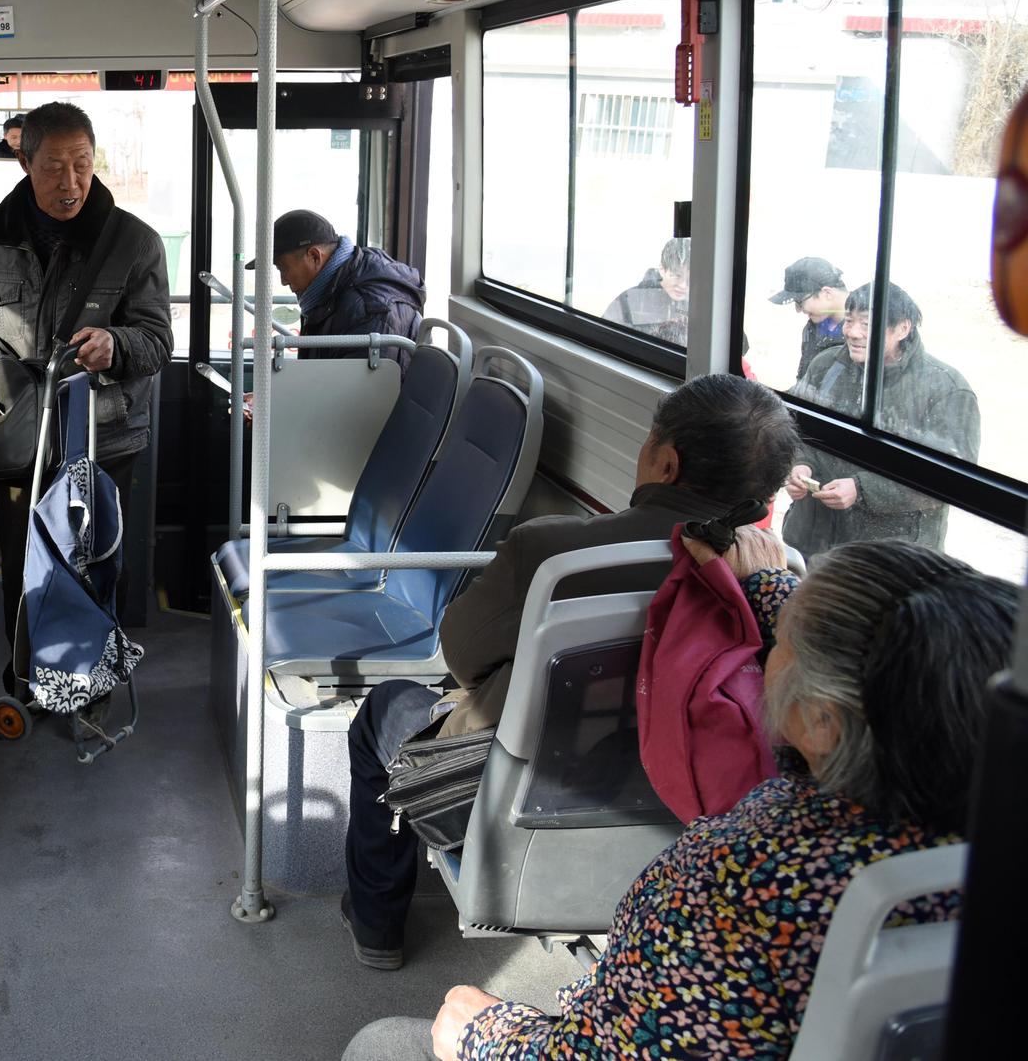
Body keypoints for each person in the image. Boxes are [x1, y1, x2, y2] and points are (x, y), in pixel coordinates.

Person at [342, 535, 1011, 1061]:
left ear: (821, 723)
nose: (769, 653)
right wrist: (768, 586)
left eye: (783, 643)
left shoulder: (736, 885)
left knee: (384, 1044)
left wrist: (488, 1031)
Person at [340, 375, 802, 970]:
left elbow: (462, 655)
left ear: (665, 462)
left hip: (516, 801)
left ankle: (376, 923)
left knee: (385, 708)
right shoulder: (779, 583)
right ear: (764, 497)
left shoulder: (554, 552)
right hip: (695, 814)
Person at [0, 100, 173, 671]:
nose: (71, 182)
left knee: (96, 565)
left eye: (82, 165)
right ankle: (28, 674)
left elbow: (157, 340)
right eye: (54, 168)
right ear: (25, 163)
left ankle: (92, 680)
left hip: (105, 438)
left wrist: (117, 344)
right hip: (20, 438)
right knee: (24, 568)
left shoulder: (135, 242)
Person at [785, 280, 980, 553]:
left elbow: (952, 480)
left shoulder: (946, 389)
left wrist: (862, 489)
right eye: (849, 320)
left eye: (867, 324)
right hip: (812, 541)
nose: (853, 332)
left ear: (902, 329)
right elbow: (794, 426)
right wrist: (798, 466)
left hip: (890, 556)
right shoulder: (826, 365)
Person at [252, 209, 424, 358]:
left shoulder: (366, 309)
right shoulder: (333, 293)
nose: (283, 280)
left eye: (283, 268)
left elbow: (357, 386)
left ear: (314, 256)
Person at [769, 255, 848, 382]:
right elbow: (804, 384)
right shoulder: (812, 328)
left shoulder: (865, 333)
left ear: (827, 293)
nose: (798, 310)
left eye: (800, 302)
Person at [601, 238, 691, 346]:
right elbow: (605, 338)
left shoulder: (699, 306)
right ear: (662, 269)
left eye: (690, 278)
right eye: (677, 276)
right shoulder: (631, 300)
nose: (683, 285)